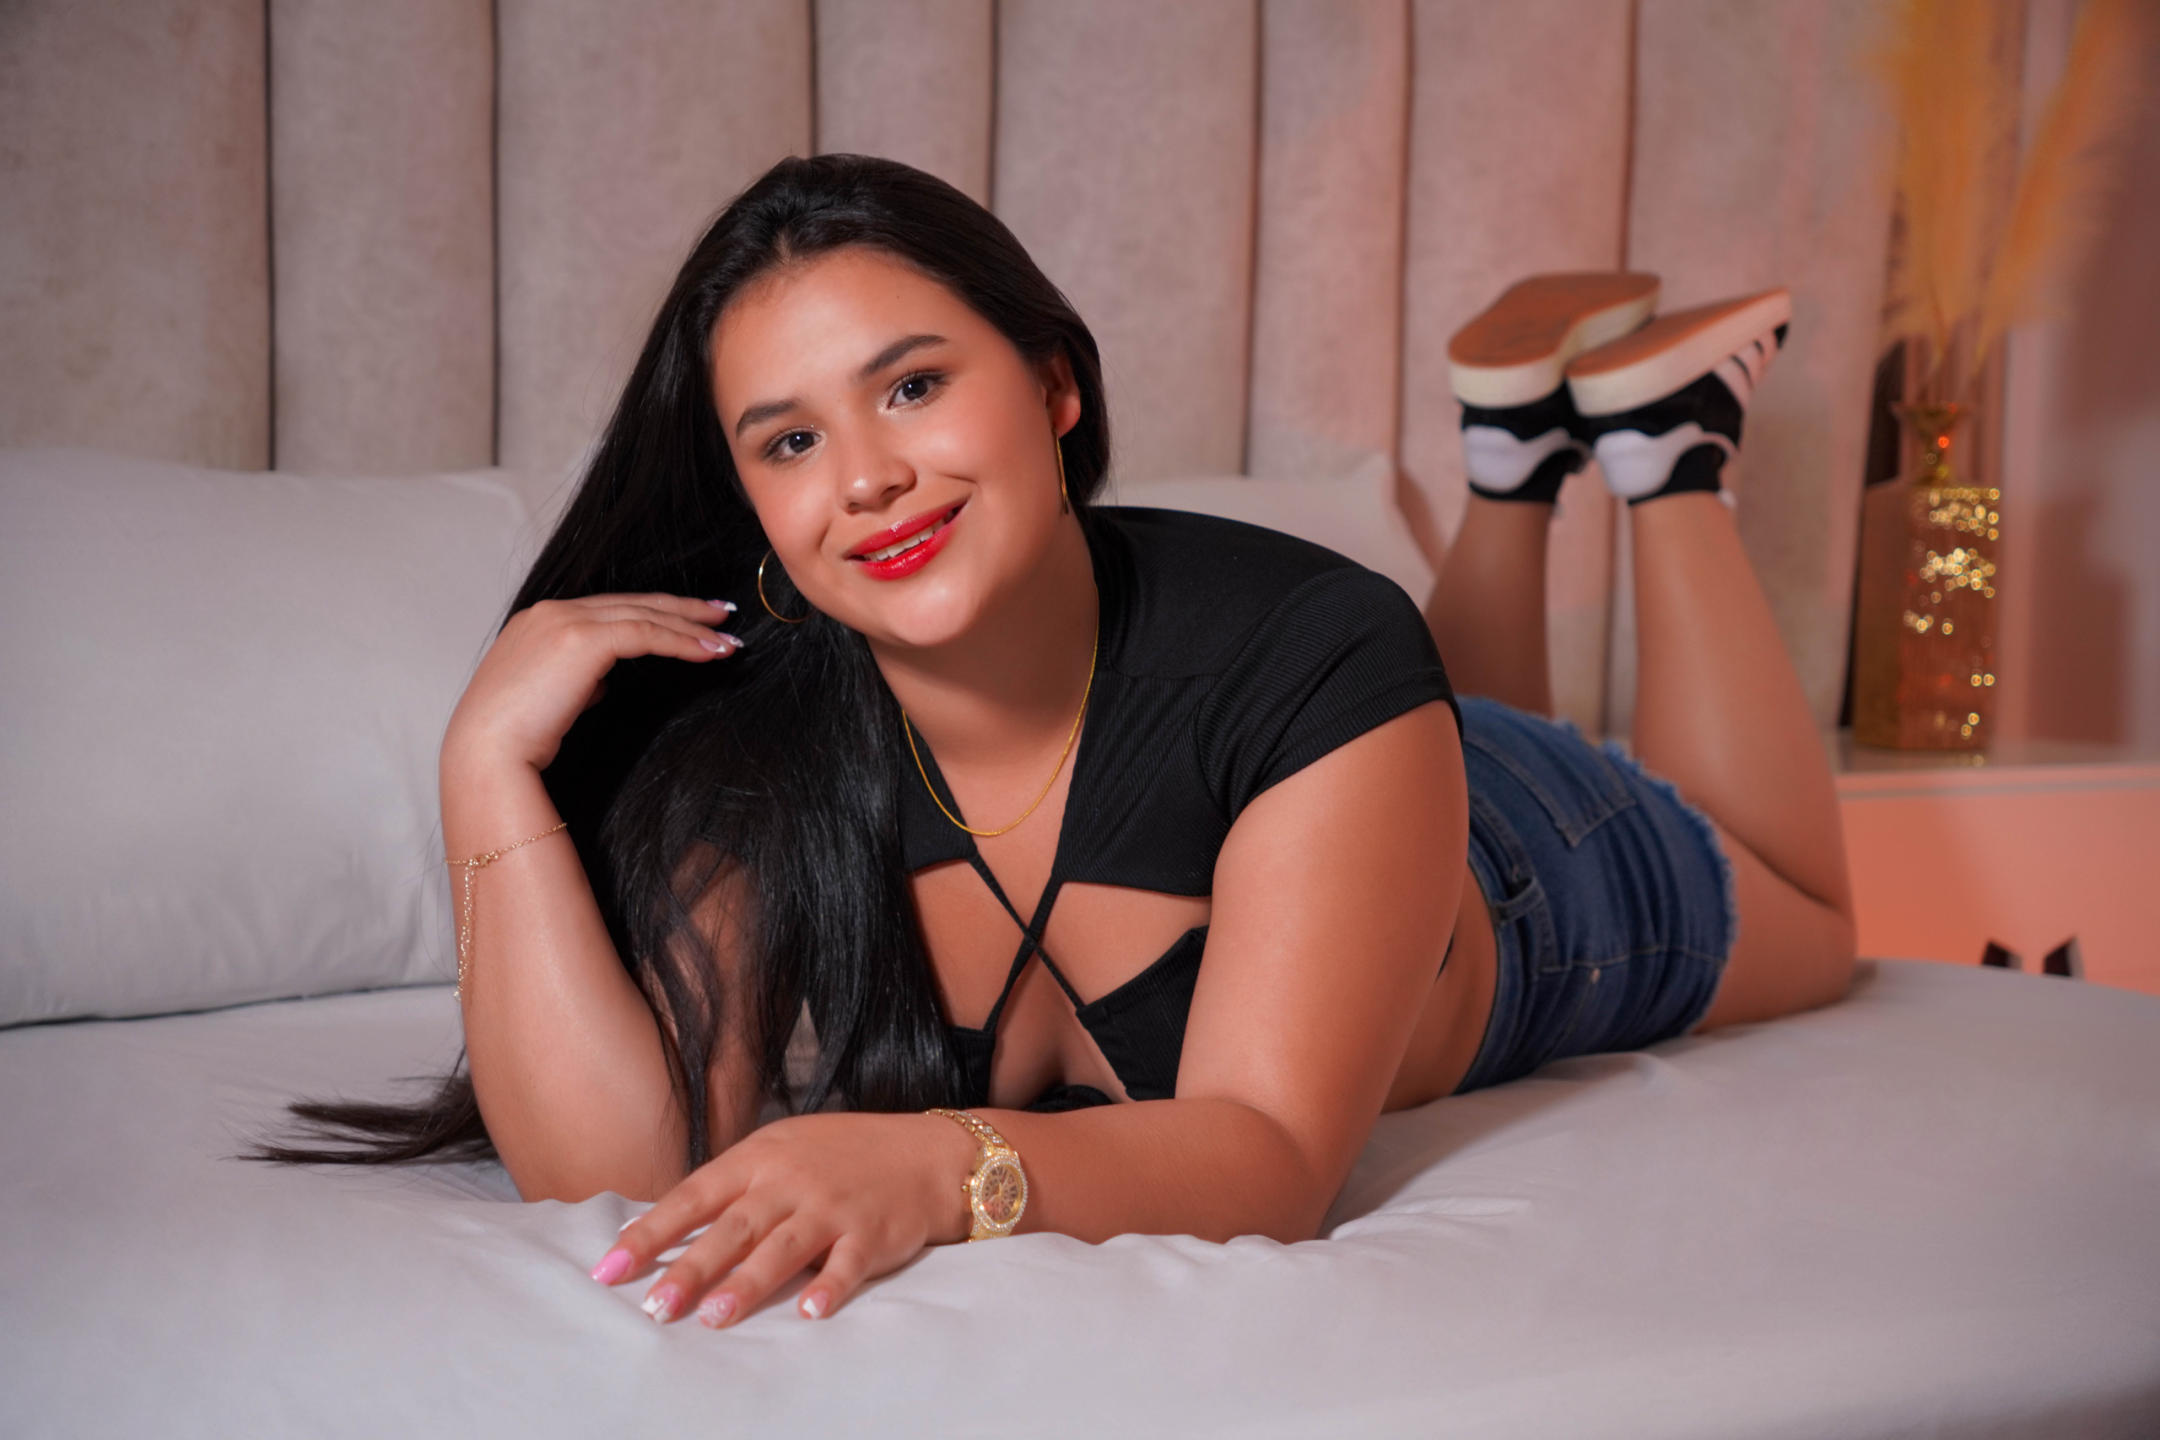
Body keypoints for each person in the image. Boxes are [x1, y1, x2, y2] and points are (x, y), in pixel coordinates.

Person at [242, 155, 1856, 1333]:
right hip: (1354, 758)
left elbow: (1272, 1160)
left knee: (1818, 924)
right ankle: (1511, 460)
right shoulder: (761, 731)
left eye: (912, 387)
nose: (865, 479)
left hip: (1514, 861)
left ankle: (1666, 458)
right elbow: (605, 1166)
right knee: (1427, 696)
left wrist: (935, 1169)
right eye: (790, 440)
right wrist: (484, 770)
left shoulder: (1314, 648)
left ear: (1054, 384)